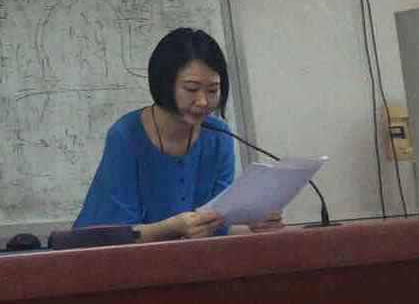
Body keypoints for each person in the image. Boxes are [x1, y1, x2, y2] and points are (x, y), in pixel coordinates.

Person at [74, 28, 282, 241]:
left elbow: (216, 229)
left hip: (190, 257)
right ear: (164, 84)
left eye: (212, 90)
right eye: (191, 89)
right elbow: (119, 236)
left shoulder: (219, 136)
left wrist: (253, 225)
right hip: (110, 257)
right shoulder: (125, 136)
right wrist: (171, 228)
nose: (203, 101)